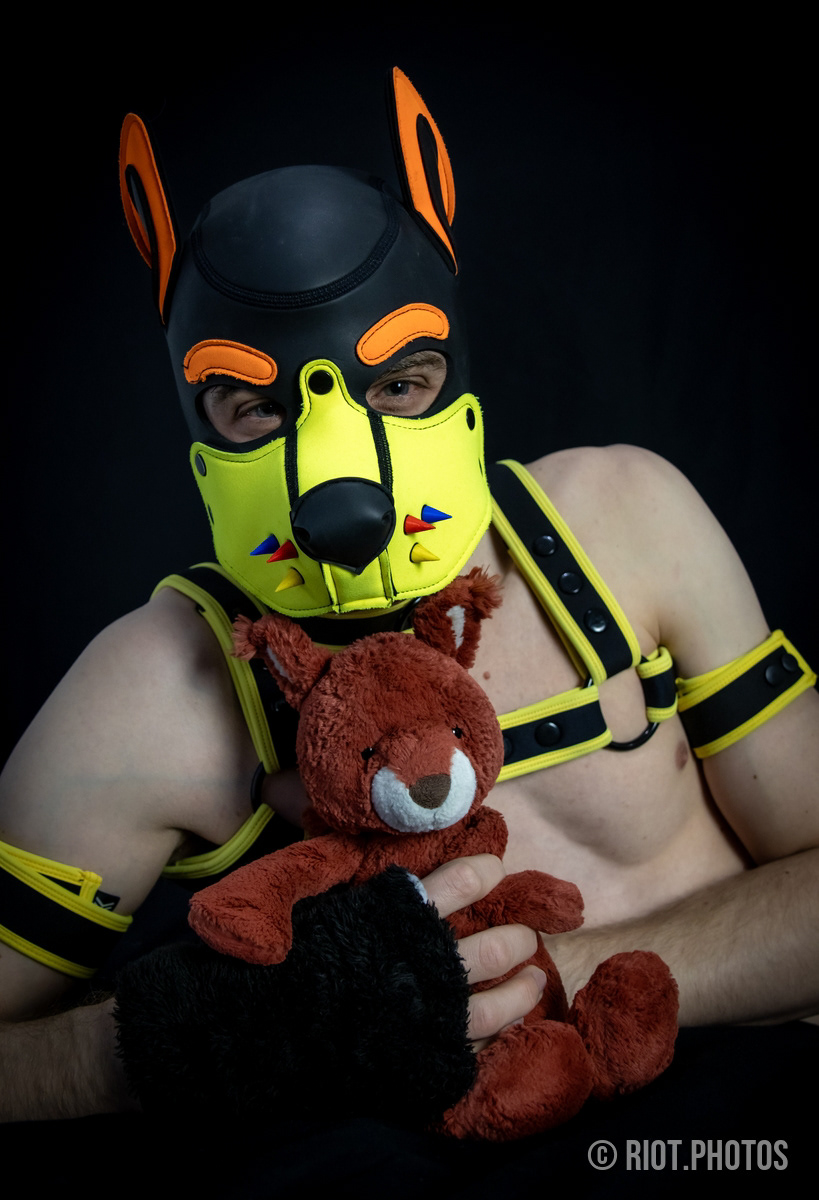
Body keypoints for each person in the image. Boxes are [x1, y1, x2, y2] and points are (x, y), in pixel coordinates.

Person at [1, 57, 816, 1160]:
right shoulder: (158, 693)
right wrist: (226, 1031)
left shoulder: (623, 524)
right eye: (254, 407)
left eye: (396, 382)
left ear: (453, 376)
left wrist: (534, 982)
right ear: (199, 432)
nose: (344, 487)